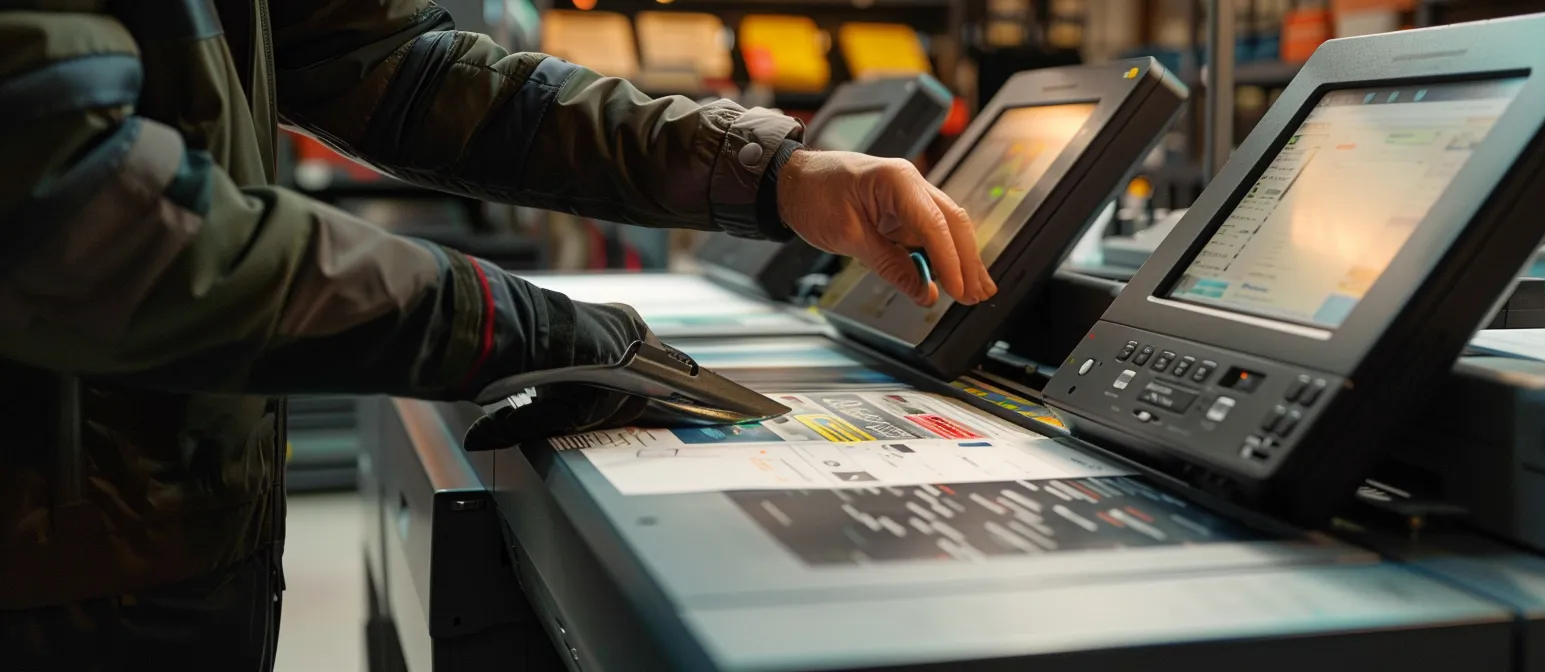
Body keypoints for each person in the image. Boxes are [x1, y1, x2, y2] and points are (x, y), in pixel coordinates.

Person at [0, 1, 996, 668]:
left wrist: (769, 173)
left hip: (170, 517)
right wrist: (512, 327)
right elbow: (77, 213)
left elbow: (396, 68)